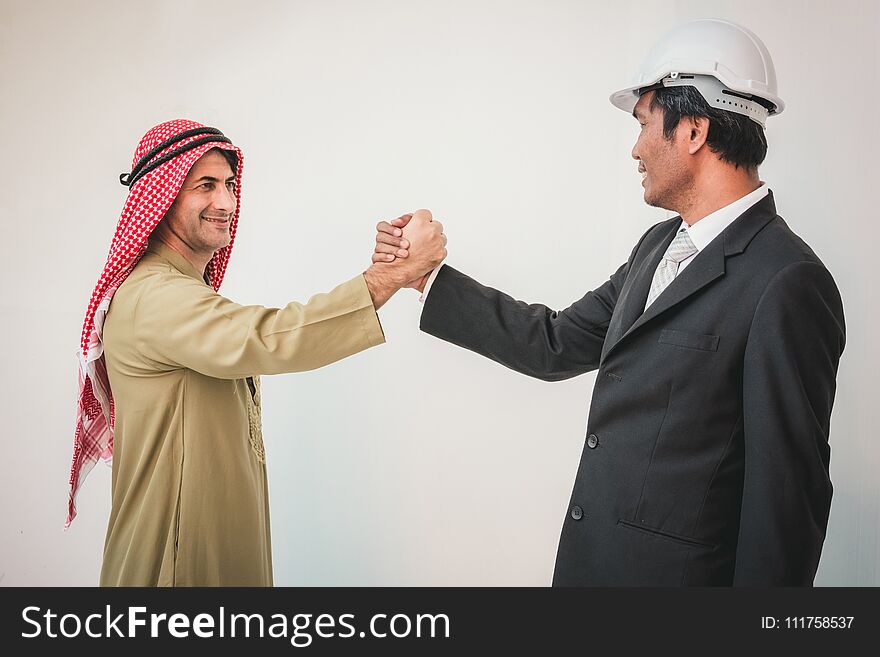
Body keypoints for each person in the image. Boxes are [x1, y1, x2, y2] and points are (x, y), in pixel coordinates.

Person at [375, 19, 846, 585]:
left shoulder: (787, 281)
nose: (635, 148)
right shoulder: (657, 247)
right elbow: (553, 343)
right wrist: (426, 276)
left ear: (693, 130)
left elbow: (786, 501)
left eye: (645, 123)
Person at [68, 119, 445, 586]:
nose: (226, 201)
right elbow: (270, 336)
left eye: (229, 184)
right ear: (161, 199)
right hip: (172, 567)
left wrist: (388, 269)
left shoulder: (181, 292)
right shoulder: (154, 296)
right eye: (205, 185)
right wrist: (390, 277)